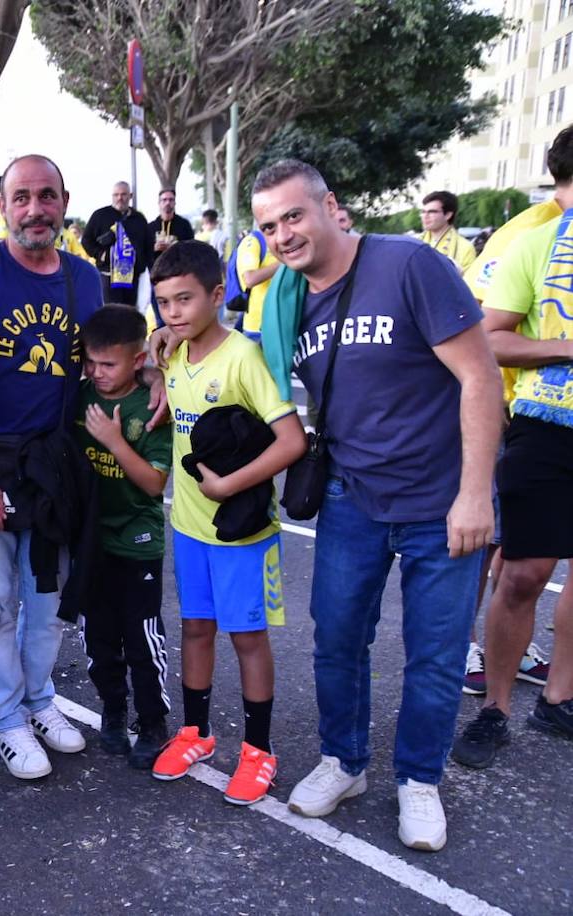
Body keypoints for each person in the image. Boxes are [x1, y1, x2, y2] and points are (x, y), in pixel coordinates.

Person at [246, 159, 501, 851]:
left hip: (440, 499)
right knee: (336, 639)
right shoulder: (283, 301)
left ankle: (418, 781)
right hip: (351, 498)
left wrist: (476, 494)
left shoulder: (410, 264)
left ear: (332, 207)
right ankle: (344, 761)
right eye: (268, 226)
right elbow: (250, 373)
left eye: (293, 216)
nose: (283, 235)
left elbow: (480, 376)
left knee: (437, 654)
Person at [0, 154, 102, 780]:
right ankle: (6, 719)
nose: (35, 209)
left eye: (46, 196)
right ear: (3, 205)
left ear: (64, 200)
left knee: (48, 600)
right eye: (22, 197)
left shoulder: (85, 280)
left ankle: (40, 702)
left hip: (55, 471)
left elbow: (101, 366)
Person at [150, 241, 305, 804]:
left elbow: (292, 441)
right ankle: (196, 734)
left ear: (218, 295)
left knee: (247, 638)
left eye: (185, 300)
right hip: (190, 527)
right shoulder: (172, 352)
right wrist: (156, 352)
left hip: (241, 531)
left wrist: (227, 486)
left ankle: (259, 751)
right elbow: (168, 387)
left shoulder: (242, 357)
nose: (174, 313)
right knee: (195, 628)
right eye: (164, 303)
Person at [451, 126, 573, 768]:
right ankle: (496, 708)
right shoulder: (535, 242)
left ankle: (558, 699)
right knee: (524, 574)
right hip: (546, 428)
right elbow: (490, 340)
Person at [72, 304, 173, 769]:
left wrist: (114, 441)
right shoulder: (81, 396)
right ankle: (113, 711)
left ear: (138, 362)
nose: (97, 373)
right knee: (98, 640)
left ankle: (152, 721)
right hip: (91, 544)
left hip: (137, 543)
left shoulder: (150, 407)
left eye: (108, 364)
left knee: (142, 639)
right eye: (90, 363)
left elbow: (155, 484)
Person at [81, 181, 150, 306]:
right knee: (110, 315)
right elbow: (86, 240)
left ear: (130, 196)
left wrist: (141, 264)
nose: (120, 198)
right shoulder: (100, 215)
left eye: (123, 194)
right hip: (109, 277)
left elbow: (148, 244)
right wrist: (100, 254)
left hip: (132, 278)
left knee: (131, 315)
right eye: (116, 195)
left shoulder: (139, 219)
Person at [234, 225, 279, 342]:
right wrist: (285, 263)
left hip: (286, 322)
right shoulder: (253, 241)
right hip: (258, 327)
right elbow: (249, 279)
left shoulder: (283, 239)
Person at [419, 190, 476, 273]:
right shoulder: (416, 241)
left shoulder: (465, 248)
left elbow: (468, 282)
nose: (425, 216)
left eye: (432, 212)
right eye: (423, 212)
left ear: (448, 215)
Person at [149, 188, 195, 266]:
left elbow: (191, 249)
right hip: (157, 270)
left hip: (179, 270)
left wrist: (175, 247)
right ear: (159, 203)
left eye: (171, 200)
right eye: (164, 200)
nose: (167, 203)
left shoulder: (184, 225)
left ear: (175, 203)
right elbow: (143, 253)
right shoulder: (150, 227)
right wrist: (154, 248)